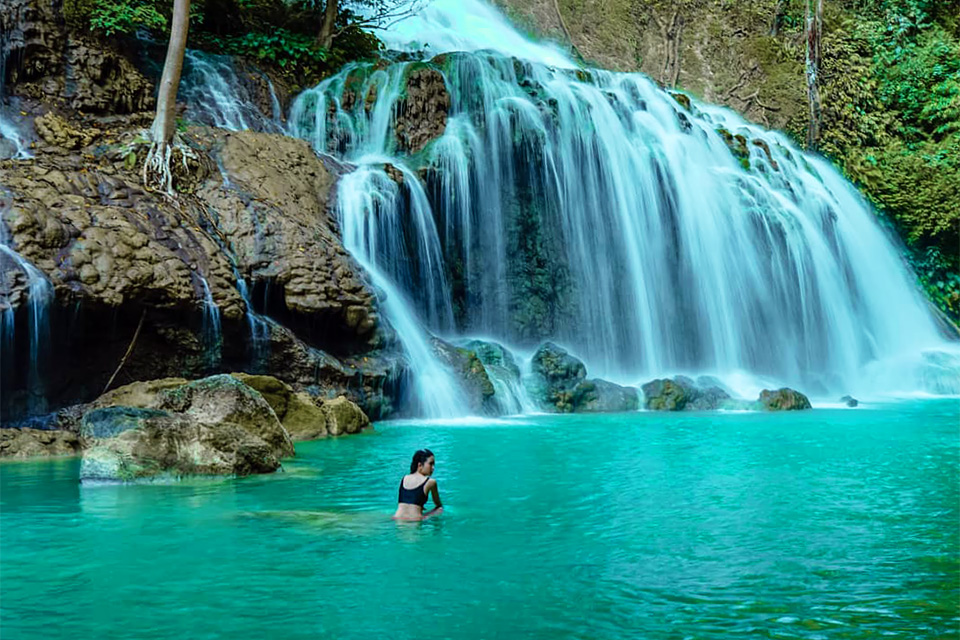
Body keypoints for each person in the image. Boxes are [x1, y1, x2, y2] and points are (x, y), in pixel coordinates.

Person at [393, 449, 443, 520]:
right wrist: (426, 516)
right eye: (431, 464)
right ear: (420, 465)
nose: (433, 468)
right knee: (440, 509)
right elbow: (438, 505)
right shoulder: (431, 482)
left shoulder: (404, 478)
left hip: (397, 519)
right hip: (414, 521)